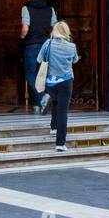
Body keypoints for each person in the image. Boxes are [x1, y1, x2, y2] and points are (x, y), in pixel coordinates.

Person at [36, 22, 80, 151]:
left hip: (50, 82)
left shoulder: (48, 43)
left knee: (55, 102)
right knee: (63, 111)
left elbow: (39, 60)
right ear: (66, 32)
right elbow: (75, 60)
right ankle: (60, 143)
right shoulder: (71, 46)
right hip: (66, 81)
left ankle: (53, 127)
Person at [19, 0, 57, 112]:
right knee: (41, 75)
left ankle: (43, 97)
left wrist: (22, 37)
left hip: (32, 45)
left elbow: (25, 28)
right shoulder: (50, 9)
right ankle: (38, 105)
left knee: (30, 74)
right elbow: (54, 28)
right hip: (46, 46)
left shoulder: (26, 8)